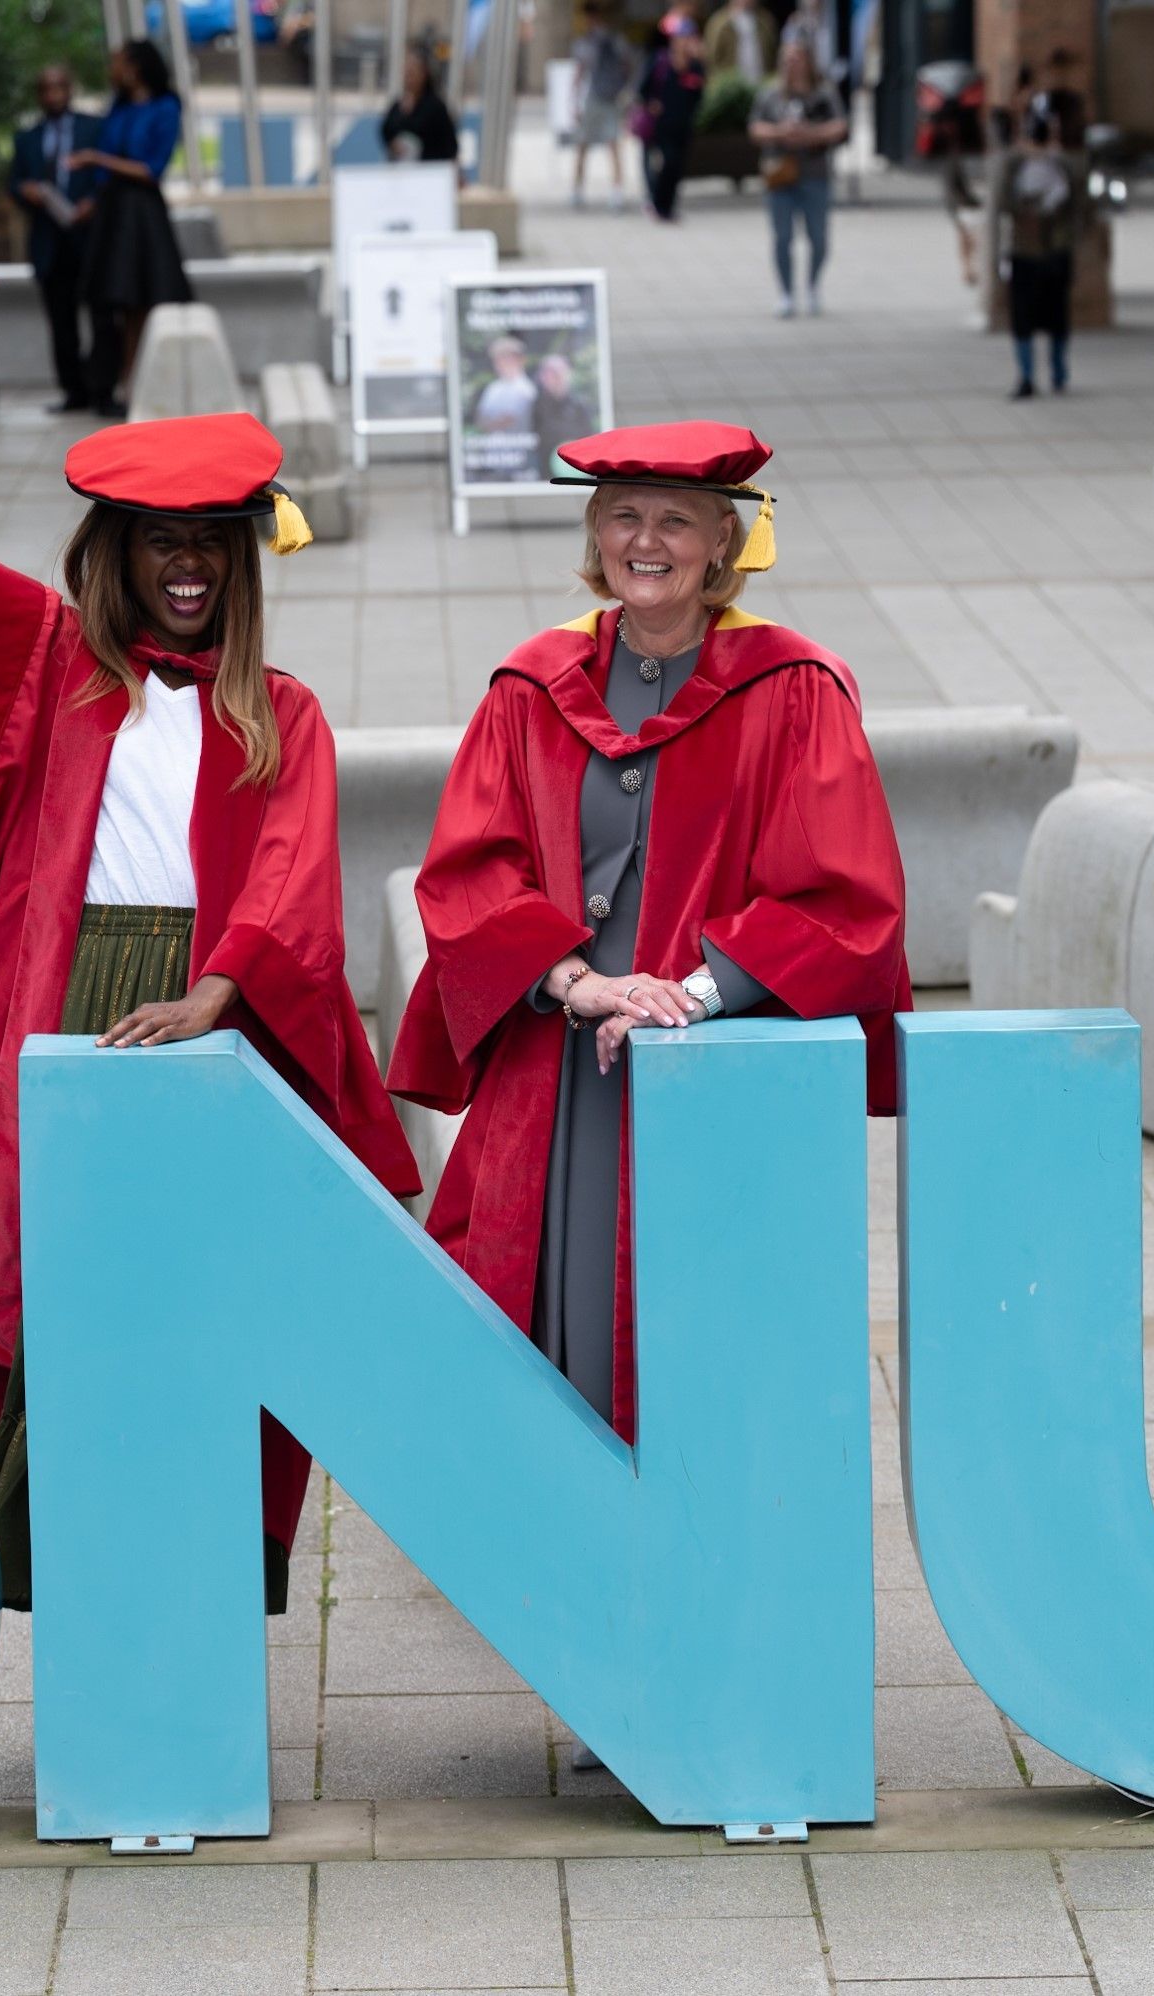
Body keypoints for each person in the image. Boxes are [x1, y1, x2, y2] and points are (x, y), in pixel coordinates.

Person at [0, 215, 420, 1614]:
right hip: (72, 1005)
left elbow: (291, 880)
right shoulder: (47, 666)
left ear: (241, 558)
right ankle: (54, 1554)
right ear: (116, 554)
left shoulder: (282, 715)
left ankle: (198, 1564)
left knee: (206, 1302)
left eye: (208, 545)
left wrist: (224, 992)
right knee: (61, 1297)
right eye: (158, 545)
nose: (185, 566)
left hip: (215, 1016)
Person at [387, 420, 908, 1464]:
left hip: (716, 1054)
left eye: (677, 519)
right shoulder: (531, 687)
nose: (647, 539)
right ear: (594, 531)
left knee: (698, 1285)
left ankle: (700, 1508)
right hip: (562, 1048)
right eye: (623, 515)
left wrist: (694, 995)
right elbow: (467, 874)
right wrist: (578, 983)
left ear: (725, 540)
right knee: (554, 1270)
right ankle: (559, 1510)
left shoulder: (794, 689)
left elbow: (846, 891)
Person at [69, 39, 192, 419]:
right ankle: (116, 383)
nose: (112, 70)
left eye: (118, 63)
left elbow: (150, 169)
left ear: (135, 67)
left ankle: (139, 383)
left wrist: (95, 159)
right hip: (111, 210)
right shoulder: (119, 108)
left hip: (141, 214)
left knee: (142, 301)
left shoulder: (166, 107)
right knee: (112, 303)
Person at [10, 65, 97, 414]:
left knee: (104, 319)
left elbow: (106, 176)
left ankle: (101, 386)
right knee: (61, 324)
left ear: (69, 89)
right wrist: (25, 192)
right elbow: (13, 182)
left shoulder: (93, 128)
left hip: (88, 238)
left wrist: (94, 203)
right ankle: (73, 391)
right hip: (49, 242)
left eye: (59, 88)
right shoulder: (27, 137)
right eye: (46, 89)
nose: (53, 96)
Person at [750, 40, 849, 318]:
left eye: (798, 59)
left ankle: (813, 284)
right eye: (788, 59)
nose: (793, 64)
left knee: (818, 238)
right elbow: (755, 128)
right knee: (782, 237)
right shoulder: (771, 95)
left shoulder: (823, 95)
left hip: (815, 174)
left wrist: (811, 134)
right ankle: (786, 292)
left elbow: (841, 125)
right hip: (780, 174)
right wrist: (781, 132)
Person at [1000, 104, 1084, 399]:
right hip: (1039, 252)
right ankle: (1044, 375)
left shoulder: (1053, 165)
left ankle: (1041, 375)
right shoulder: (1055, 165)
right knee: (1043, 317)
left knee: (1041, 318)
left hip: (1039, 252)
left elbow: (1002, 204)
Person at [640, 15, 708, 224]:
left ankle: (668, 207)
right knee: (667, 163)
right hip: (662, 125)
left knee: (677, 167)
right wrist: (651, 103)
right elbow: (643, 88)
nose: (685, 42)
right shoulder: (661, 61)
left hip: (684, 125)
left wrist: (701, 61)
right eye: (682, 37)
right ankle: (658, 204)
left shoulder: (695, 66)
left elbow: (700, 93)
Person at [570, 5, 638, 211]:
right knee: (590, 145)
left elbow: (580, 72)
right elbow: (580, 71)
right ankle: (581, 190)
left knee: (608, 145)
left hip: (604, 98)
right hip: (601, 98)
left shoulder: (604, 41)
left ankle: (610, 192)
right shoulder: (598, 41)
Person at [381, 43, 461, 163]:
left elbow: (449, 145)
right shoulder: (397, 105)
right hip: (400, 171)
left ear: (424, 74)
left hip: (428, 172)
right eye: (406, 73)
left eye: (412, 73)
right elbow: (386, 130)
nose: (408, 77)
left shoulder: (435, 107)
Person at [530, 351, 594, 461]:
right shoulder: (534, 406)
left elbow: (588, 438)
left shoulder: (580, 405)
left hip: (575, 465)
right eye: (552, 373)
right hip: (543, 468)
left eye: (561, 372)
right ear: (543, 377)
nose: (557, 377)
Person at [470, 336, 537, 432]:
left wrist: (490, 423)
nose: (500, 363)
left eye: (505, 358)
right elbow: (480, 419)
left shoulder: (526, 388)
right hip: (492, 446)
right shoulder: (493, 388)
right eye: (498, 359)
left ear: (519, 360)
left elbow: (508, 420)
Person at [702, 0, 772, 90]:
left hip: (761, 86)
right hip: (730, 89)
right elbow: (710, 59)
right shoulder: (718, 24)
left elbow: (771, 55)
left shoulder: (765, 22)